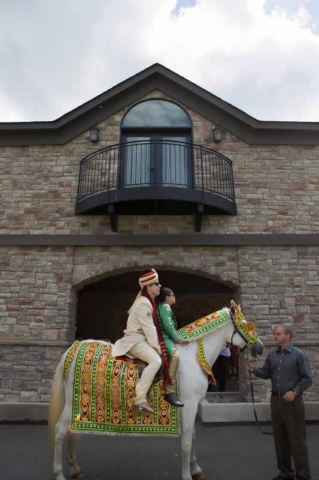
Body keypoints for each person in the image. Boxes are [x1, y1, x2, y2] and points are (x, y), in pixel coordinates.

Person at [245, 324, 312, 480]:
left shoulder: (299, 355)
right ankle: (286, 474)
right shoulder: (273, 355)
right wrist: (254, 370)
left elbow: (307, 379)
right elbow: (267, 373)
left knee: (297, 441)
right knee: (280, 440)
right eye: (275, 334)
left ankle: (303, 476)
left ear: (288, 336)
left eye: (278, 334)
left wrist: (294, 392)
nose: (275, 336)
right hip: (276, 401)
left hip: (293, 403)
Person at [112, 269, 171, 414]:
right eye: (156, 284)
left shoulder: (148, 301)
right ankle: (139, 398)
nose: (159, 286)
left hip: (141, 340)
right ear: (148, 287)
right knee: (156, 361)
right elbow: (150, 330)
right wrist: (160, 349)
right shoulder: (144, 303)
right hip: (135, 341)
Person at [157, 287, 188, 407]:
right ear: (167, 297)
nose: (174, 297)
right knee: (175, 355)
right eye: (173, 294)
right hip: (165, 337)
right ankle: (169, 390)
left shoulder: (163, 306)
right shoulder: (165, 306)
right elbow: (168, 325)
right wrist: (178, 339)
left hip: (167, 335)